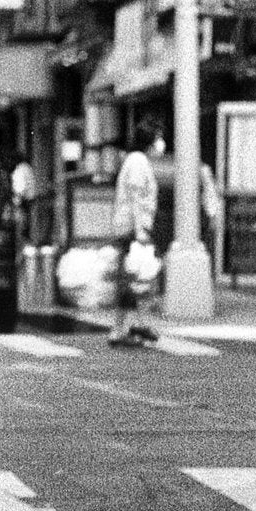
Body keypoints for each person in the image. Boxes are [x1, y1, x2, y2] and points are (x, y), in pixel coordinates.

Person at [111, 122, 162, 347]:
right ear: (150, 141)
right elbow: (137, 197)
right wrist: (141, 231)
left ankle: (131, 325)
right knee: (138, 278)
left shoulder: (135, 160)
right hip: (133, 229)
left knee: (133, 279)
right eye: (158, 138)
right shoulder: (138, 161)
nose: (161, 143)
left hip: (131, 227)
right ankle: (125, 327)